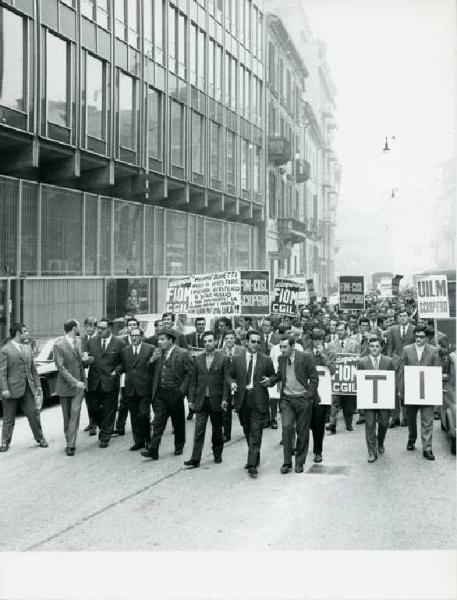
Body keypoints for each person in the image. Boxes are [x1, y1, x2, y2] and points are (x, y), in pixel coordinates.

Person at [228, 329, 275, 477]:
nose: (255, 344)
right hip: (242, 400)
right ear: (247, 342)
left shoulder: (266, 360)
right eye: (252, 341)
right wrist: (232, 383)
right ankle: (254, 456)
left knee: (256, 432)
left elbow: (273, 376)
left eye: (258, 342)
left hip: (258, 399)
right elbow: (229, 375)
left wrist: (270, 381)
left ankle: (252, 464)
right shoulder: (236, 359)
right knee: (247, 431)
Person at [141, 329, 192, 460]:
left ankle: (179, 446)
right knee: (158, 422)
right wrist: (152, 360)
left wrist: (181, 390)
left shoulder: (183, 353)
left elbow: (189, 374)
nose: (160, 342)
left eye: (163, 339)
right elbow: (149, 370)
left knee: (178, 422)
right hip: (161, 394)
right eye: (159, 339)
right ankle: (153, 450)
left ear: (170, 340)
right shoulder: (158, 353)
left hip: (175, 393)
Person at [271, 335, 319, 474]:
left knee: (302, 431)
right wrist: (270, 380)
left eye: (284, 347)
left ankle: (299, 462)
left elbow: (314, 378)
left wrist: (309, 395)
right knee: (286, 428)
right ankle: (287, 462)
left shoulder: (305, 357)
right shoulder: (281, 359)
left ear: (292, 346)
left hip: (302, 399)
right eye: (280, 347)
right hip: (286, 399)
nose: (282, 350)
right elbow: (279, 375)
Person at [184, 331, 229, 468]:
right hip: (201, 400)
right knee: (199, 430)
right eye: (205, 342)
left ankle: (217, 454)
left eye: (210, 341)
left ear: (215, 342)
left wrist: (225, 399)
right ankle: (195, 458)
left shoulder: (223, 358)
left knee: (216, 430)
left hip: (216, 400)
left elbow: (225, 381)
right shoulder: (198, 359)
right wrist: (191, 399)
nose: (207, 344)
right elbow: (193, 381)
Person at [0, 323, 48, 452]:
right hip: (11, 390)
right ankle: (5, 442)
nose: (27, 334)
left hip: (28, 389)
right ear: (18, 333)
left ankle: (40, 438)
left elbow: (33, 369)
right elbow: (2, 372)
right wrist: (4, 389)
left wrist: (38, 385)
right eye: (25, 331)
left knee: (34, 415)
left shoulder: (27, 348)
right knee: (8, 418)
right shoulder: (5, 350)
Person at [399, 325, 441, 460]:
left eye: (422, 337)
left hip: (427, 391)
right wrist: (401, 390)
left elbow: (436, 371)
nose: (419, 339)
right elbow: (401, 371)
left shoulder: (434, 351)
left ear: (427, 338)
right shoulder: (406, 350)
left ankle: (427, 448)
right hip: (411, 391)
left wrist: (435, 391)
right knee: (411, 419)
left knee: (427, 420)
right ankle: (412, 438)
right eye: (416, 336)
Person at [86, 318, 125, 448]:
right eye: (99, 328)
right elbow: (87, 359)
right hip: (94, 381)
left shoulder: (119, 343)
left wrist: (116, 372)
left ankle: (105, 436)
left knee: (109, 410)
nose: (100, 331)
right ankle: (105, 427)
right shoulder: (91, 342)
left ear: (110, 328)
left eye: (103, 328)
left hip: (110, 381)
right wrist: (86, 360)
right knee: (93, 408)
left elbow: (123, 362)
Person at [116, 327, 154, 451]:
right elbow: (123, 366)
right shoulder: (125, 351)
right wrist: (115, 372)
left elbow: (154, 367)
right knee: (134, 416)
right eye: (132, 335)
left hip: (144, 388)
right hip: (130, 388)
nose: (134, 337)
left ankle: (148, 440)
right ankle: (138, 442)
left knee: (144, 414)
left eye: (137, 335)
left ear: (141, 336)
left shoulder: (149, 349)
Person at [357, 337, 395, 463]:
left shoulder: (388, 361)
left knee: (384, 424)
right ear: (368, 347)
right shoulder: (362, 362)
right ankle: (372, 452)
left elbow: (391, 382)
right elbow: (360, 383)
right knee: (370, 425)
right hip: (368, 400)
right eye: (372, 346)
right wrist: (361, 403)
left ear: (381, 348)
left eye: (377, 346)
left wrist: (392, 401)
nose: (374, 348)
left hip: (384, 399)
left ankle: (380, 441)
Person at [53, 320, 87, 456]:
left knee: (75, 414)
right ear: (74, 328)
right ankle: (69, 439)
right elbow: (60, 367)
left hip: (79, 386)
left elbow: (82, 361)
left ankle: (71, 445)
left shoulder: (79, 341)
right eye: (78, 327)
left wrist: (88, 360)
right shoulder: (58, 345)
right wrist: (75, 382)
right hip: (66, 386)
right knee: (67, 417)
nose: (79, 329)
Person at [309, 329, 336, 463]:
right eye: (315, 339)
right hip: (309, 392)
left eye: (320, 339)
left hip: (323, 393)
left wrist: (323, 356)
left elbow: (333, 370)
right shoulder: (306, 353)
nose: (317, 342)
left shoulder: (330, 352)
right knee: (306, 423)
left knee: (319, 424)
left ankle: (318, 451)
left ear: (323, 340)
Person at [386, 309, 415, 427]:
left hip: (409, 362)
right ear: (397, 318)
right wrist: (388, 361)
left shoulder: (414, 329)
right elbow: (390, 347)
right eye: (400, 316)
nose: (402, 318)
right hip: (395, 362)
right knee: (394, 390)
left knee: (407, 390)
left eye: (404, 315)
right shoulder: (392, 330)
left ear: (408, 317)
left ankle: (406, 417)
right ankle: (395, 417)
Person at [114, 316, 140, 436]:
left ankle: (141, 426)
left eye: (134, 325)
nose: (132, 327)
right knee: (123, 402)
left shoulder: (142, 340)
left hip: (139, 379)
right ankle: (120, 427)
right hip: (126, 377)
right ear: (127, 327)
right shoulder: (121, 341)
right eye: (130, 325)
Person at [219, 330, 245, 442]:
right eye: (227, 338)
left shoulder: (242, 351)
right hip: (225, 384)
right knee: (226, 410)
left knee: (242, 408)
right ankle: (227, 433)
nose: (229, 340)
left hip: (239, 383)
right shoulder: (219, 352)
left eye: (231, 338)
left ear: (235, 339)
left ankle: (246, 427)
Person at [81, 317, 98, 436]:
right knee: (88, 400)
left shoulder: (98, 339)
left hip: (97, 373)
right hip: (85, 373)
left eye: (90, 326)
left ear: (95, 327)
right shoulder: (83, 339)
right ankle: (91, 422)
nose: (88, 329)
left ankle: (95, 423)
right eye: (86, 326)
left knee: (95, 400)